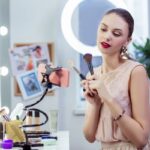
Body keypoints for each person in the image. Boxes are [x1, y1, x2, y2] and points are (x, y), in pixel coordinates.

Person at [81, 8, 150, 150]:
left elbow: (141, 140)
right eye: (103, 29)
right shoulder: (93, 75)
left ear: (127, 41)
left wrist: (108, 97)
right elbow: (89, 136)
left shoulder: (136, 72)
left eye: (116, 33)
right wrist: (96, 104)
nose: (107, 37)